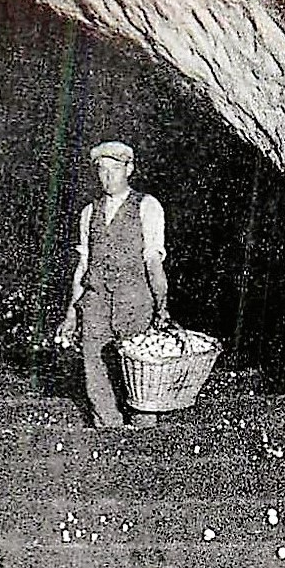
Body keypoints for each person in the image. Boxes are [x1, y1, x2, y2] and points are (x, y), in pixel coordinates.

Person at [54, 140, 172, 428]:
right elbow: (83, 266)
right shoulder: (88, 213)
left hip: (134, 301)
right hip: (96, 302)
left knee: (138, 373)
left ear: (129, 169)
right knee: (95, 369)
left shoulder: (147, 206)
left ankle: (143, 434)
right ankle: (107, 430)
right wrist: (72, 313)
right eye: (102, 171)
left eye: (114, 170)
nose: (107, 177)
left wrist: (162, 304)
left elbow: (153, 262)